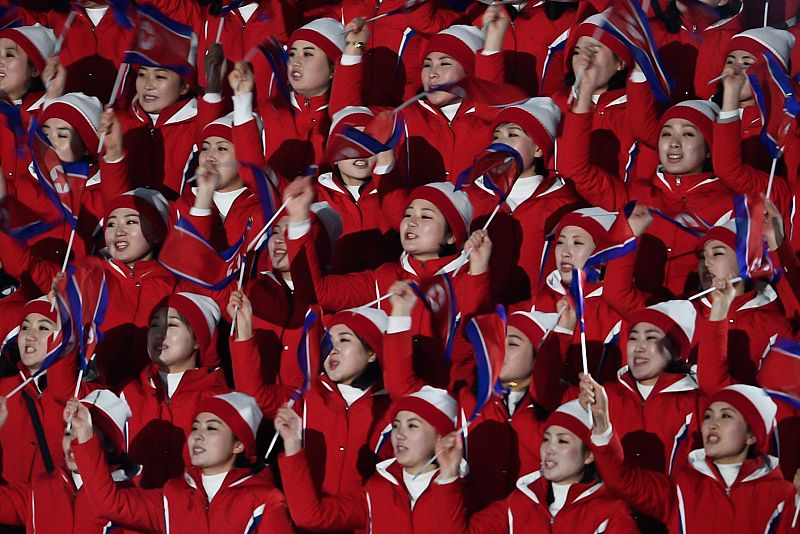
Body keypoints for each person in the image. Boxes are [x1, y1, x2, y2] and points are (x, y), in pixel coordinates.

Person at [581, 375, 799, 533]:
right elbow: (621, 480)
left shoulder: (783, 496)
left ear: (751, 435)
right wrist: (602, 423)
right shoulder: (682, 487)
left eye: (726, 416)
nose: (712, 424)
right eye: (708, 416)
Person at [230, 291, 392, 498]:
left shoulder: (391, 408)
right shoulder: (308, 395)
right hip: (305, 519)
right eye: (329, 341)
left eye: (344, 340)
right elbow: (254, 397)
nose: (333, 349)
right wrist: (244, 332)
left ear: (372, 353)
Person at [69, 391, 295, 532]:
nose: (198, 435)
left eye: (212, 428)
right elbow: (108, 504)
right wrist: (84, 432)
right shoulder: (173, 495)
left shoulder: (264, 501)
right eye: (195, 427)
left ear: (239, 445)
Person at [276, 385, 466, 532]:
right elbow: (310, 516)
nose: (399, 434)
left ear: (441, 436)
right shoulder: (376, 490)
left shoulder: (463, 494)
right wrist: (292, 443)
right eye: (397, 425)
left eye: (413, 426)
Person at [431, 399, 639, 533]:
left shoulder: (610, 512)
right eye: (546, 439)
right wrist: (449, 472)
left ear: (589, 456)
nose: (549, 449)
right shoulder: (519, 502)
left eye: (563, 441)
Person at [0, 390, 141, 533]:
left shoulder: (125, 498)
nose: (72, 441)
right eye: (68, 431)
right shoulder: (40, 489)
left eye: (83, 431)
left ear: (110, 446)